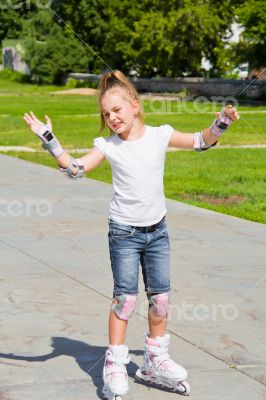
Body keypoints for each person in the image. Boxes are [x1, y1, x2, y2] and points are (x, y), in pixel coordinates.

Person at [24, 70, 239, 399]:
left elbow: (201, 141)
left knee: (161, 300)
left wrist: (222, 122)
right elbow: (75, 169)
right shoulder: (107, 146)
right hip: (124, 232)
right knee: (125, 299)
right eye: (106, 114)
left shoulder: (160, 134)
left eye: (117, 110)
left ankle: (156, 357)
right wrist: (50, 140)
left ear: (135, 106)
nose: (112, 118)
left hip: (158, 231)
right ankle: (114, 359)